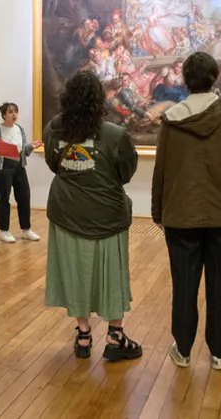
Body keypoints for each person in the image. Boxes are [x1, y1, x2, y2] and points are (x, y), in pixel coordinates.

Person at [151, 52, 221, 371]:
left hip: (181, 216)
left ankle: (183, 350)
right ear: (214, 76)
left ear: (186, 80)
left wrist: (158, 212)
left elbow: (161, 170)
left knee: (184, 285)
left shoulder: (172, 118)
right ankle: (219, 354)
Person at [44, 71, 142, 362]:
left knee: (74, 272)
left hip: (67, 213)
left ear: (67, 98)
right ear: (99, 100)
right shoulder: (115, 135)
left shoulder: (54, 130)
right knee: (111, 275)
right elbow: (126, 172)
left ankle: (83, 335)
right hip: (107, 215)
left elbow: (54, 164)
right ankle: (115, 336)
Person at [0, 102, 42, 244]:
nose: (14, 114)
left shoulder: (19, 129)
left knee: (24, 196)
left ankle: (26, 229)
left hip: (19, 166)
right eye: (10, 112)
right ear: (4, 115)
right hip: (3, 168)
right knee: (4, 198)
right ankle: (4, 231)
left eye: (16, 111)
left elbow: (24, 152)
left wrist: (31, 146)